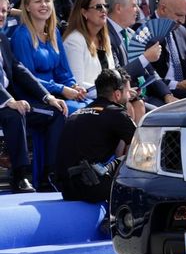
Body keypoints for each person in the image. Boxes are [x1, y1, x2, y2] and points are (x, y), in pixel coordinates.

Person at [0, 16, 68, 192]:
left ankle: (50, 175)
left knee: (56, 112)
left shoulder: (2, 39)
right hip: (5, 103)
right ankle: (20, 176)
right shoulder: (19, 36)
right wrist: (9, 100)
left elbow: (19, 70)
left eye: (4, 11)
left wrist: (48, 97)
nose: (2, 15)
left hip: (8, 102)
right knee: (15, 114)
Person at [52, 68, 138, 206]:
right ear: (117, 94)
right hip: (90, 187)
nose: (129, 96)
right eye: (128, 92)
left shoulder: (77, 112)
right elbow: (142, 146)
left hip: (66, 189)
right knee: (137, 158)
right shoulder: (116, 113)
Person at [11, 0, 88, 113]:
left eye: (47, 1)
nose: (44, 5)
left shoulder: (54, 32)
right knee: (83, 113)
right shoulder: (21, 36)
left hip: (58, 94)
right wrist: (61, 89)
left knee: (96, 108)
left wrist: (73, 86)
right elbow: (27, 79)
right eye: (38, 1)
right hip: (36, 98)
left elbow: (64, 72)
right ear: (27, 7)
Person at [61, 0, 118, 92]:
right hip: (87, 98)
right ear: (84, 12)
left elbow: (112, 75)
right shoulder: (74, 40)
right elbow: (77, 83)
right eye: (98, 7)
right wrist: (110, 93)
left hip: (107, 97)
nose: (104, 10)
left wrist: (123, 90)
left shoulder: (105, 38)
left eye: (105, 6)